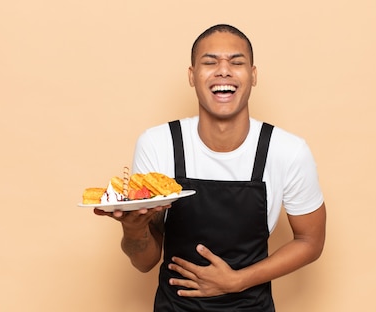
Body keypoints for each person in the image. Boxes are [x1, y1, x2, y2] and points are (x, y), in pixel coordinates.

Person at [94, 24, 326, 311]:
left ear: (253, 76)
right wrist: (133, 230)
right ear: (192, 76)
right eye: (210, 62)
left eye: (236, 62)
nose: (223, 71)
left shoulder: (287, 151)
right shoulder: (159, 143)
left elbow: (310, 241)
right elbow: (144, 262)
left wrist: (238, 281)